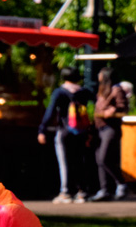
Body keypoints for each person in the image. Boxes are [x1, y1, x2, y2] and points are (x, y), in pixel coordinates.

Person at [38, 68, 93, 204]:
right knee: (80, 161)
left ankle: (66, 192)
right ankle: (82, 192)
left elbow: (50, 111)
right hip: (81, 131)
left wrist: (42, 129)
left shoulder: (59, 92)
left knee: (64, 162)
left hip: (64, 130)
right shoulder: (84, 92)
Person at [90, 68, 129, 202]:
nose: (98, 75)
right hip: (99, 128)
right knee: (99, 159)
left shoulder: (116, 90)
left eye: (100, 73)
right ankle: (105, 189)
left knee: (104, 158)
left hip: (110, 128)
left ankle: (121, 184)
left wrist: (113, 110)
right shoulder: (102, 90)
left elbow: (123, 107)